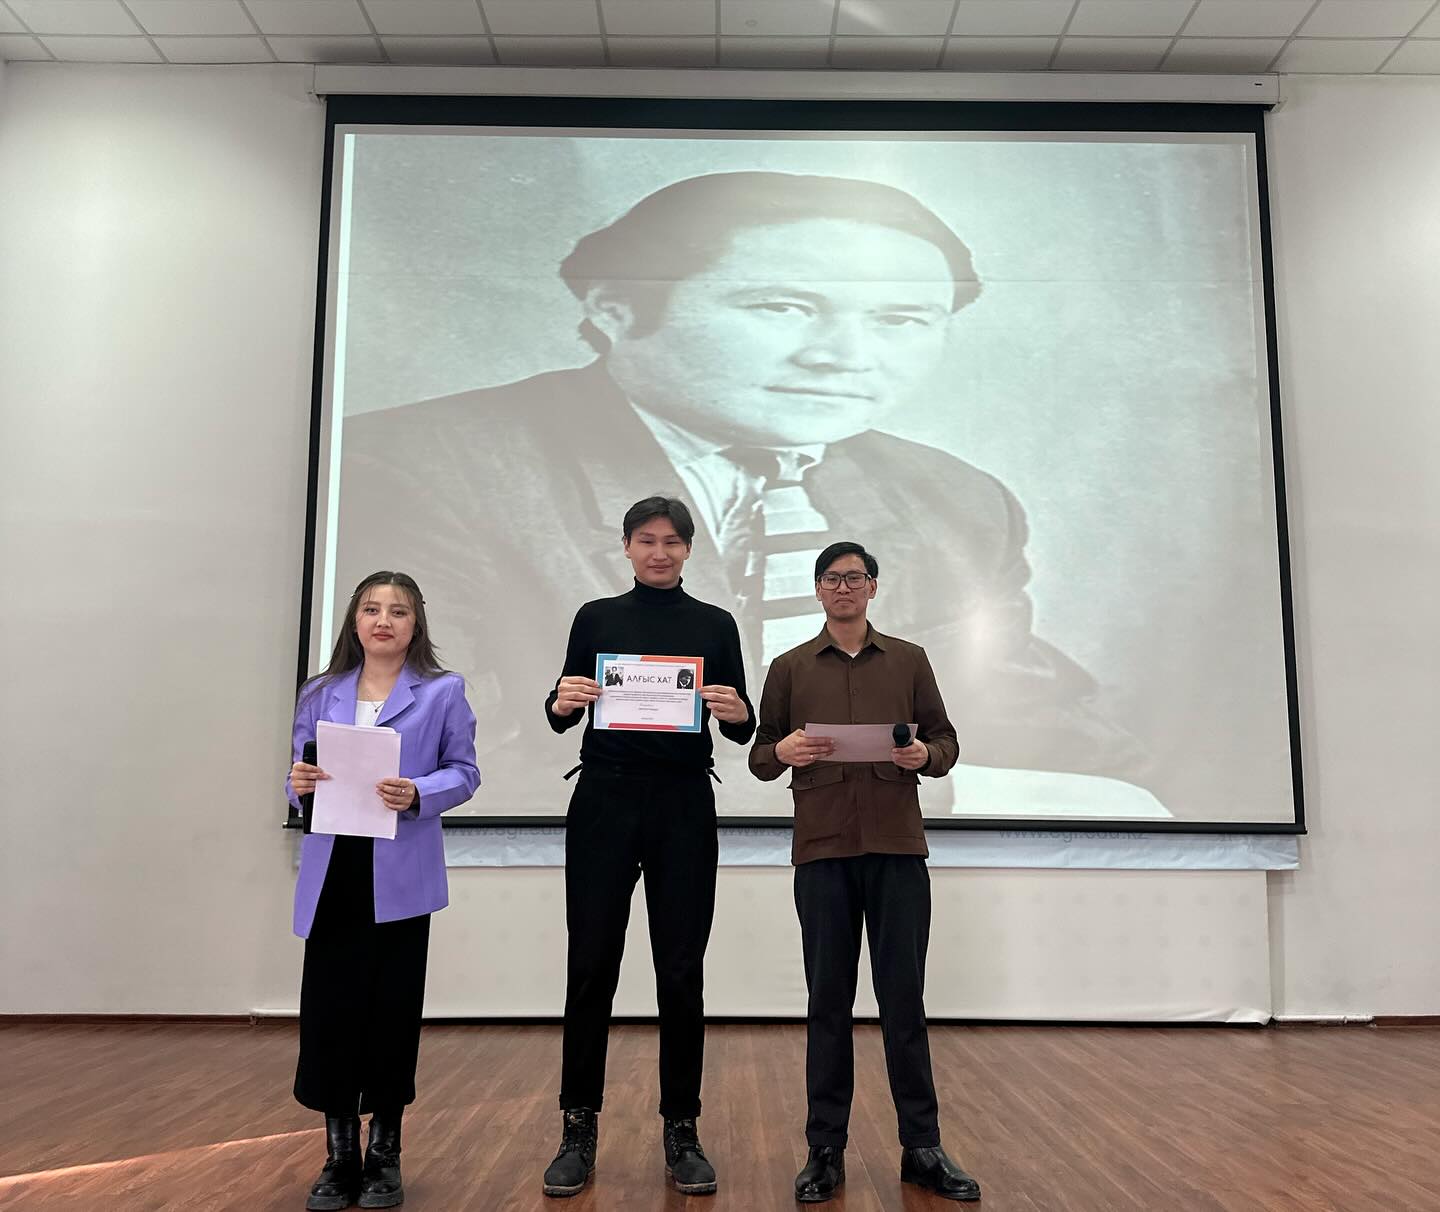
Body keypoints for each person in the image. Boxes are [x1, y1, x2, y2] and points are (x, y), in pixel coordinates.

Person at [333, 170, 1146, 816]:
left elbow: (1022, 715)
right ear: (615, 308)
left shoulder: (956, 498)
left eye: (902, 320)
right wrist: (927, 788)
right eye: (784, 306)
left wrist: (1142, 801)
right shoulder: (414, 469)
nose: (846, 356)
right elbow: (441, 754)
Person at [750, 541, 981, 1204]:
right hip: (822, 850)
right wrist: (785, 749)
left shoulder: (909, 659)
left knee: (903, 1000)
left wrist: (924, 757)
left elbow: (946, 740)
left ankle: (922, 1147)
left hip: (897, 848)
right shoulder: (790, 667)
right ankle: (824, 1149)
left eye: (854, 577)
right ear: (817, 590)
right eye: (831, 578)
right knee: (827, 1003)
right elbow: (761, 757)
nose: (843, 588)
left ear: (873, 587)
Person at [541, 496, 754, 1198]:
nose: (659, 552)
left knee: (681, 969)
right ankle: (577, 1127)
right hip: (604, 798)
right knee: (590, 965)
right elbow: (559, 713)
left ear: (689, 549)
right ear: (626, 547)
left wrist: (738, 712)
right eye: (645, 540)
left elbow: (741, 727)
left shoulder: (714, 624)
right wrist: (563, 699)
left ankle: (682, 1128)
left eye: (671, 541)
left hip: (682, 804)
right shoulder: (596, 617)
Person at [286, 571, 480, 1210]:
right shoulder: (321, 692)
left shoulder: (442, 691)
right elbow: (296, 774)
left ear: (415, 623)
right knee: (331, 1013)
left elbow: (464, 771)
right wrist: (300, 784)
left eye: (398, 611)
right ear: (354, 620)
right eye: (371, 609)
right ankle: (339, 1155)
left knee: (391, 1013)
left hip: (400, 873)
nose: (384, 621)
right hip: (334, 870)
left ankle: (384, 1154)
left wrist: (420, 791)